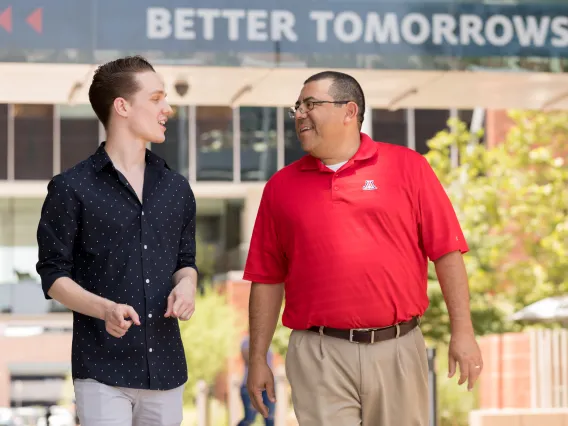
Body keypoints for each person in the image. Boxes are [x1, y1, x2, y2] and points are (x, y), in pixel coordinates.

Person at [242, 71, 483, 426]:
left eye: (311, 104)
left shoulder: (408, 168)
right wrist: (257, 357)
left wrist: (463, 331)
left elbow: (447, 252)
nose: (300, 114)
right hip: (318, 353)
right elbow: (266, 278)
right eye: (297, 106)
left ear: (349, 111)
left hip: (398, 347)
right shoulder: (280, 187)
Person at [35, 55, 198, 426]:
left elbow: (186, 262)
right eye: (156, 99)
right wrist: (105, 309)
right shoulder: (71, 188)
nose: (167, 109)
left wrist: (187, 286)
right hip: (102, 369)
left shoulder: (177, 189)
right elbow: (53, 276)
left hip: (167, 368)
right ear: (122, 106)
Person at [237, 334, 275, 426]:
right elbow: (248, 359)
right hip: (250, 386)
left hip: (267, 387)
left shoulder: (268, 341)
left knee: (270, 419)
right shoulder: (246, 342)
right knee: (249, 419)